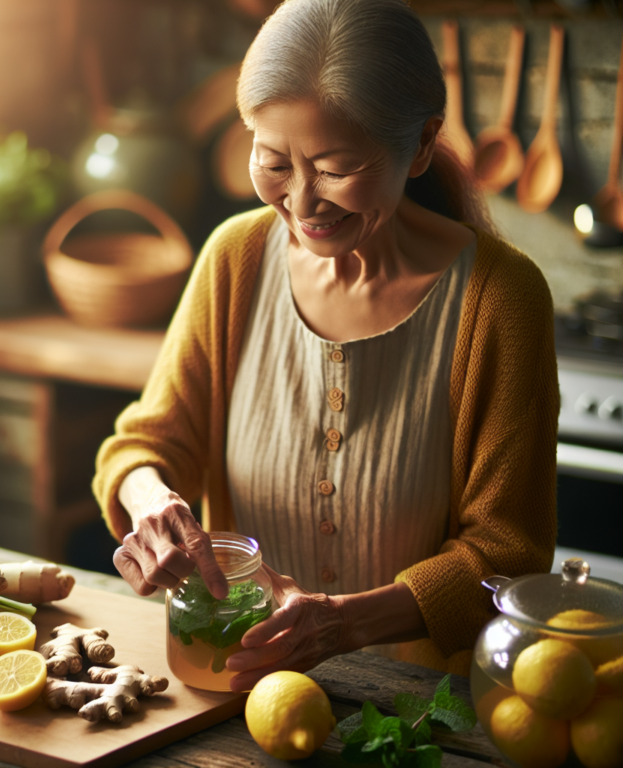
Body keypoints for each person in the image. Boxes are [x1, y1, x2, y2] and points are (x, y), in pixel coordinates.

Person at [92, 0, 559, 691]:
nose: (303, 203)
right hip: (237, 692)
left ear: (423, 144)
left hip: (424, 714)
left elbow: (508, 551)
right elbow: (145, 446)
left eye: (337, 167)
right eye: (274, 161)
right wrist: (150, 500)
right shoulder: (234, 259)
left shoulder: (500, 297)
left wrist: (346, 622)